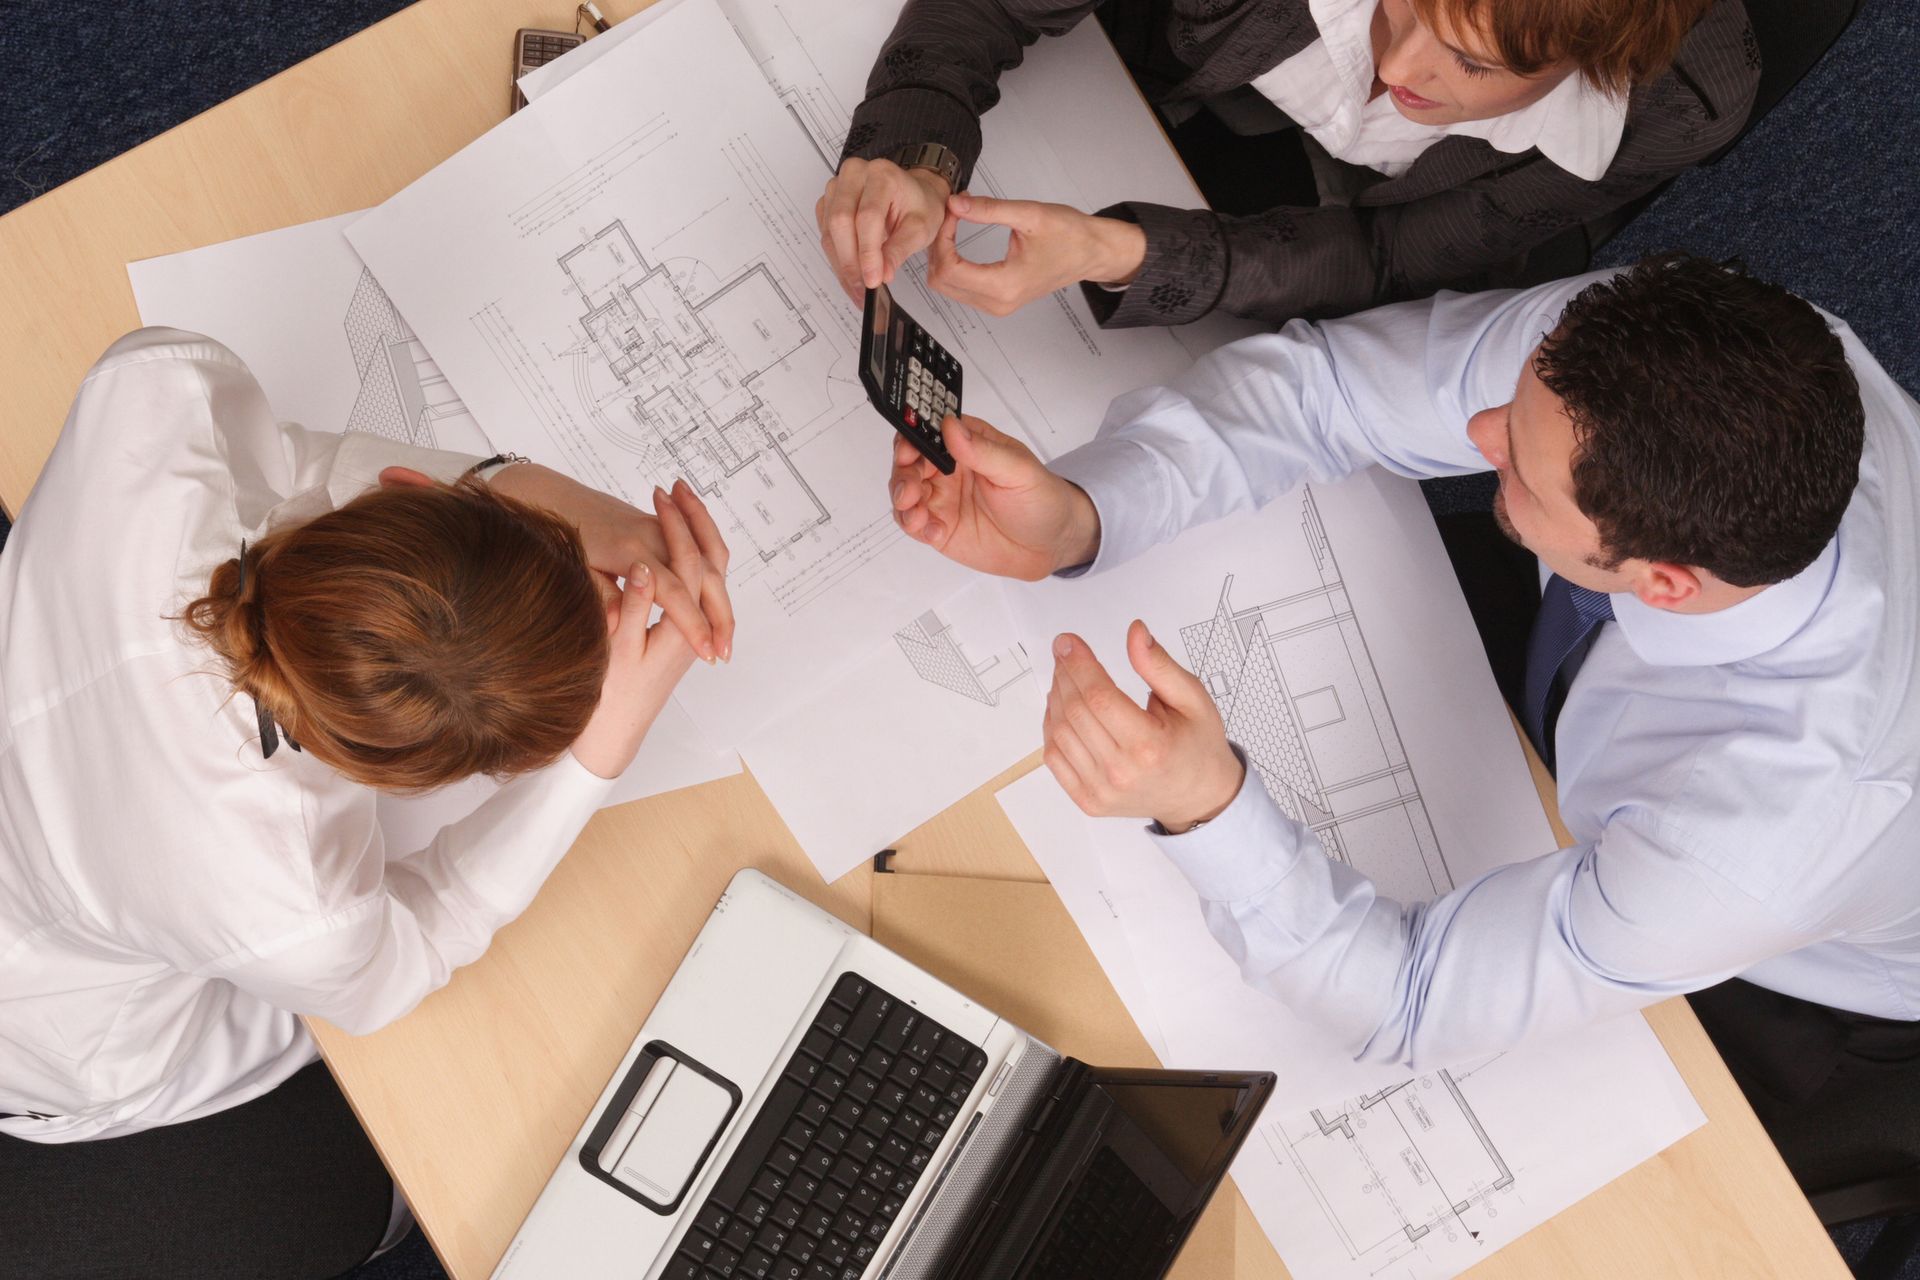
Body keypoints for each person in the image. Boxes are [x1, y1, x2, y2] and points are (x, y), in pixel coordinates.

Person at [884, 254, 1920, 1190]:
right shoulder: (1686, 351)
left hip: (1818, 981)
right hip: (1632, 712)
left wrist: (1207, 805)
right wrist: (1086, 512)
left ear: (1666, 583)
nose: (1476, 436)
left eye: (1513, 456)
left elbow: (1409, 997)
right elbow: (1332, 391)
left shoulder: (1762, 842)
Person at [0, 328, 732, 1277]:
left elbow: (289, 466)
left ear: (405, 489)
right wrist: (597, 754)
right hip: (51, 1036)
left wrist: (540, 496)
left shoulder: (148, 401)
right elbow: (417, 947)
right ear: (405, 779)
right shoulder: (291, 903)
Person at [819, 0, 1757, 326]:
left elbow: (1391, 255)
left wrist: (1126, 258)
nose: (1396, 70)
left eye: (1470, 63)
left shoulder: (1679, 107)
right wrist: (916, 154)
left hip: (1310, 216)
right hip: (1142, 59)